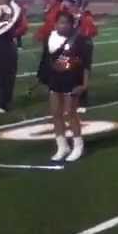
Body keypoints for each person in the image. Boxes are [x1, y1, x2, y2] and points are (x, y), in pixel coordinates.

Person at [36, 11, 90, 161]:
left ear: (72, 24)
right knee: (55, 113)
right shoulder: (50, 38)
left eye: (66, 22)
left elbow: (85, 64)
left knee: (71, 113)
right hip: (55, 80)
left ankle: (78, 145)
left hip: (72, 80)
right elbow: (46, 59)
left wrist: (84, 85)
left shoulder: (79, 40)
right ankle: (62, 146)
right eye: (60, 22)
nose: (62, 25)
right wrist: (44, 77)